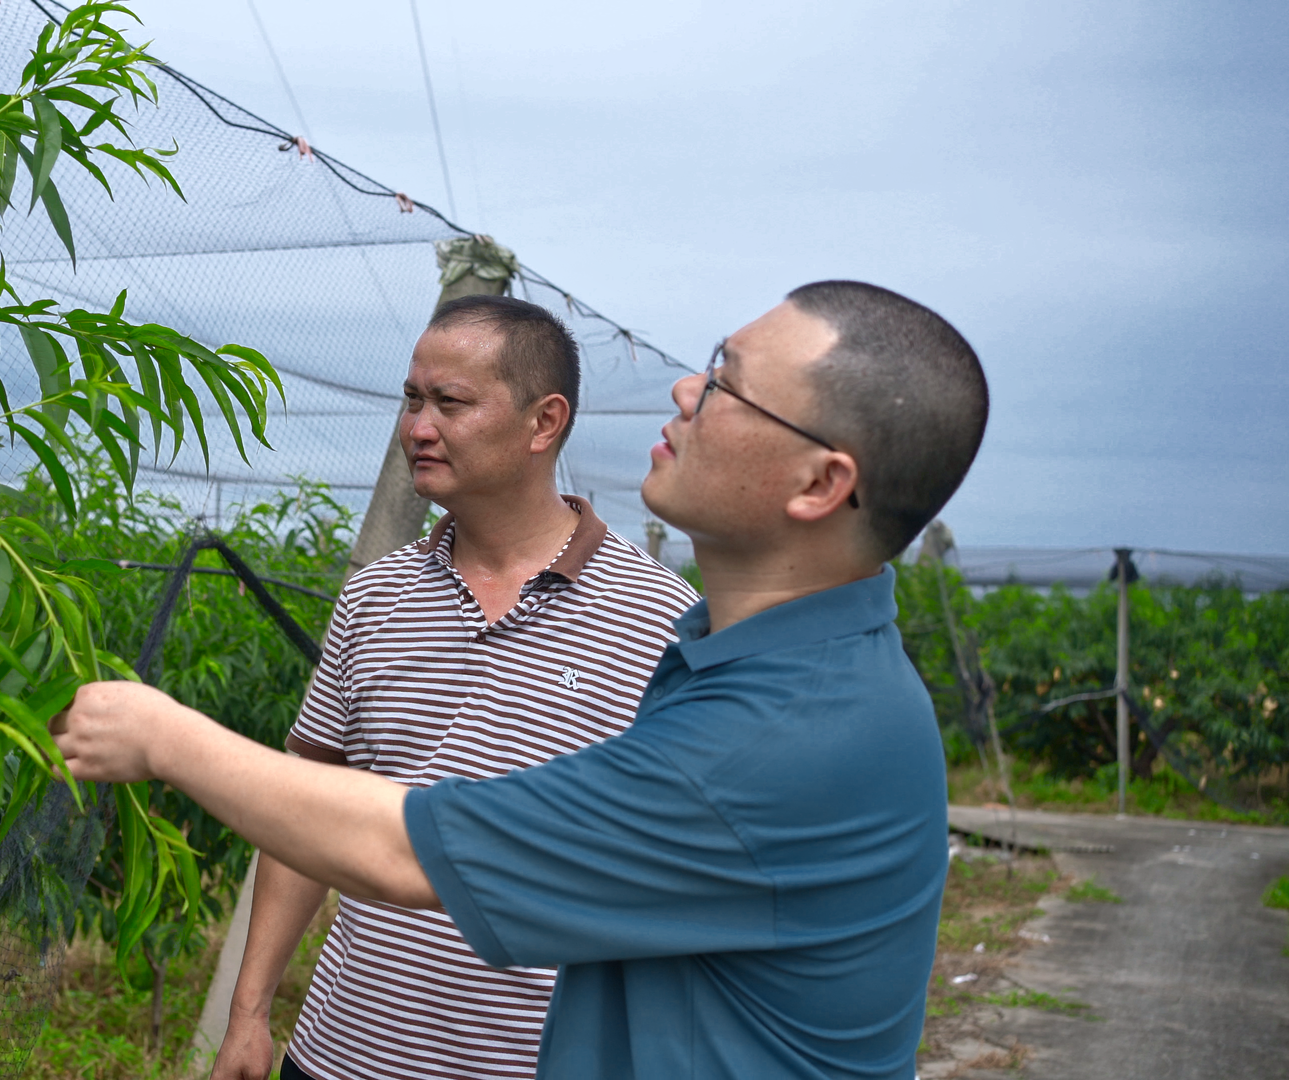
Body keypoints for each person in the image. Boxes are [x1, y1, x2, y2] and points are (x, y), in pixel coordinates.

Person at [55, 281, 989, 1079]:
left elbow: (412, 849)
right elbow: (336, 783)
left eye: (725, 382)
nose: (683, 387)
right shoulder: (738, 656)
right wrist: (255, 1004)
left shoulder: (776, 729)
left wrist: (163, 736)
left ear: (821, 485)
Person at [213, 294, 697, 1080]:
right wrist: (249, 1012)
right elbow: (307, 808)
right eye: (411, 399)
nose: (418, 427)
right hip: (343, 1055)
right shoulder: (375, 597)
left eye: (451, 402)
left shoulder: (659, 617)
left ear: (544, 423)